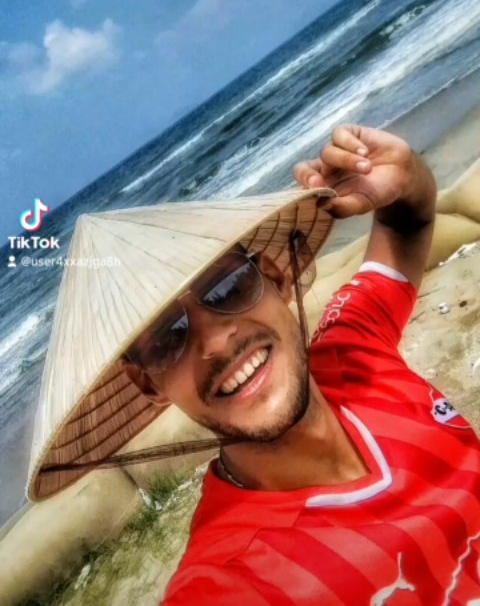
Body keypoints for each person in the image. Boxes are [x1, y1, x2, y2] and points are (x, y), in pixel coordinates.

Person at [27, 125, 480, 604]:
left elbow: (406, 223)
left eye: (227, 287)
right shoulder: (230, 582)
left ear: (275, 278)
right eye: (167, 338)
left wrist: (403, 171)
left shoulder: (355, 347)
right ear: (148, 384)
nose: (216, 341)